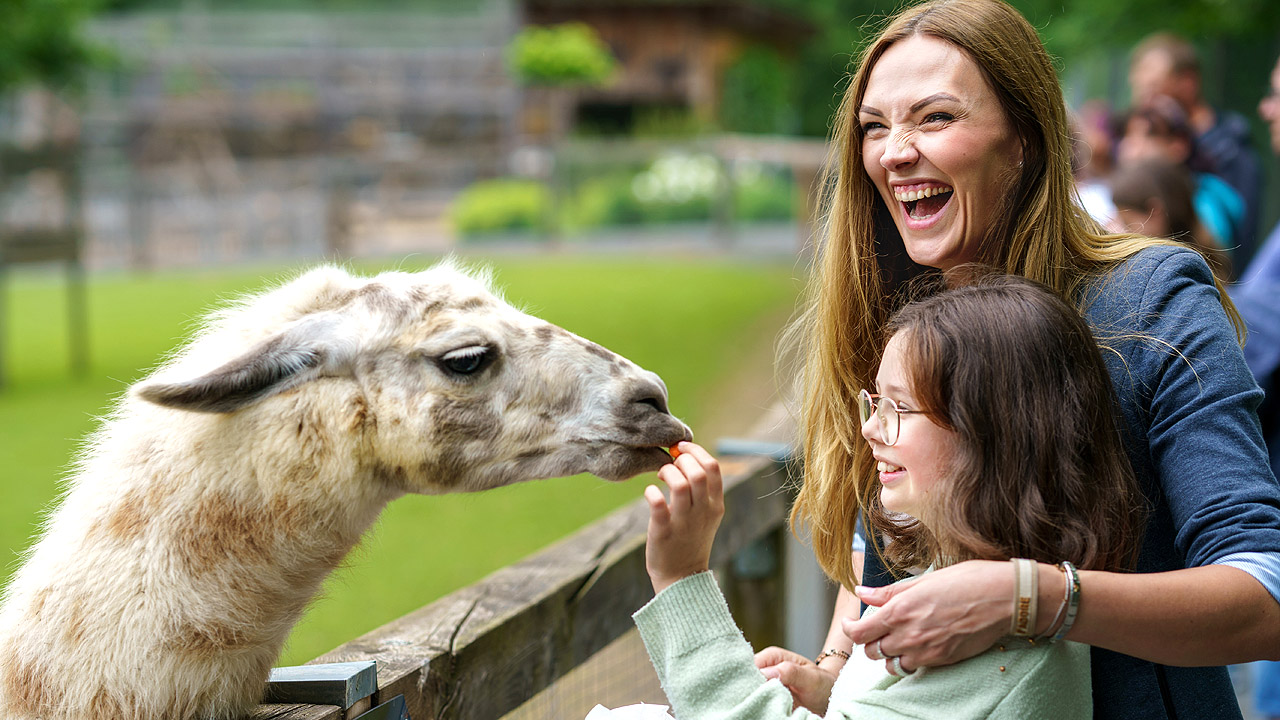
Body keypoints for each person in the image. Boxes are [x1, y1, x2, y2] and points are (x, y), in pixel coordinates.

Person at [737, 1, 1280, 719]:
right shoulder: (897, 311)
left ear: (1024, 137)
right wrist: (836, 669)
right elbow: (890, 534)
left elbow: (1264, 591)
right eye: (875, 126)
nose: (894, 151)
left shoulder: (1152, 303)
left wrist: (1033, 597)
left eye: (934, 118)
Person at [635, 275, 1147, 718]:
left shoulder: (999, 658)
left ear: (994, 433)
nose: (870, 431)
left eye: (899, 407)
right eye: (874, 402)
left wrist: (682, 579)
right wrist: (835, 697)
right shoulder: (960, 596)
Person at [1128, 32, 1263, 263]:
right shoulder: (1141, 141)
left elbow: (1239, 246)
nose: (1145, 103)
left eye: (1153, 88)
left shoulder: (1231, 152)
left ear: (1188, 83)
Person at [1116, 96, 1246, 257]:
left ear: (1179, 146)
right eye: (1128, 135)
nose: (1130, 147)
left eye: (1148, 135)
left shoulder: (1205, 205)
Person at [1108, 157, 1232, 281]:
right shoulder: (1209, 254)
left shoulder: (1183, 276)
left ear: (1154, 212)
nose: (1124, 231)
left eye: (1127, 223)